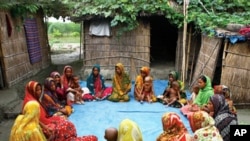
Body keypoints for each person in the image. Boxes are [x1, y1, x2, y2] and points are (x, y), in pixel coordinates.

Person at [23, 80, 98, 141]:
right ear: (31, 91)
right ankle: (64, 138)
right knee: (63, 125)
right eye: (37, 90)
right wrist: (46, 127)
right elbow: (33, 120)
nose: (39, 92)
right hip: (41, 126)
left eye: (40, 89)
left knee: (67, 123)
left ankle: (67, 138)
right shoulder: (30, 104)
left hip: (47, 119)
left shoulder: (36, 100)